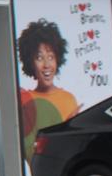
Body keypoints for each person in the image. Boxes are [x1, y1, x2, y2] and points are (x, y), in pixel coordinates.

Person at [16, 19, 78, 162]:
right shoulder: (25, 100)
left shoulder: (69, 99)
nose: (47, 65)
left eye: (51, 57)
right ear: (30, 62)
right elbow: (30, 151)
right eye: (39, 58)